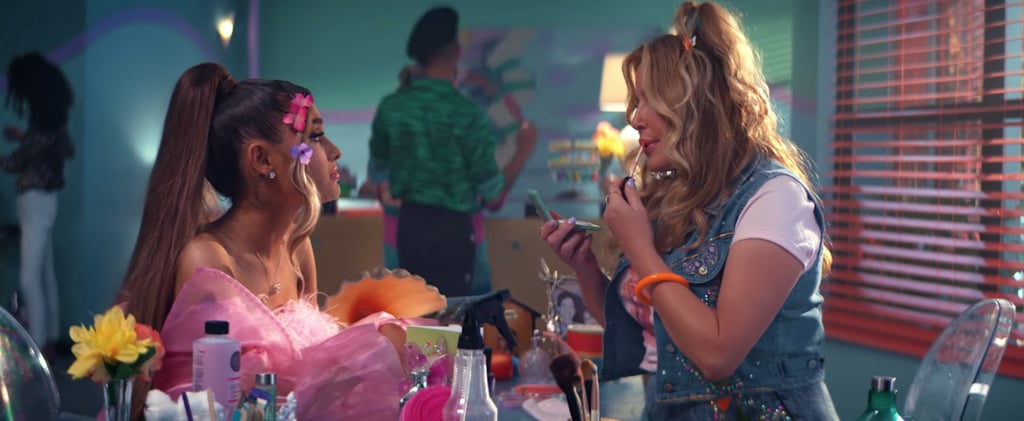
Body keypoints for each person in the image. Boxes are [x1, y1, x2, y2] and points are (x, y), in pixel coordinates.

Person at [539, 2, 839, 419]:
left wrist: (639, 249)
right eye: (636, 101)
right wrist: (586, 266)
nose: (635, 118)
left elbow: (717, 356)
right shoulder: (679, 200)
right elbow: (654, 335)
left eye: (649, 101)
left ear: (698, 106)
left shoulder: (775, 199)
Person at [118, 63, 426, 420]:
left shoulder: (298, 249)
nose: (335, 151)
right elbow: (207, 400)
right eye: (315, 136)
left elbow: (314, 364)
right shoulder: (210, 259)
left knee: (394, 336)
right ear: (262, 159)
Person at [368, 6, 538, 297]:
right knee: (458, 318)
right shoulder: (468, 114)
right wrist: (522, 151)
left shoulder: (392, 107)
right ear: (457, 52)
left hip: (408, 232)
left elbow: (377, 174)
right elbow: (493, 194)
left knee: (414, 316)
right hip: (456, 238)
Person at [1, 52, 75, 359]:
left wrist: (13, 151)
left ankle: (38, 347)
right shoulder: (53, 119)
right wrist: (26, 137)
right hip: (46, 200)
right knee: (45, 276)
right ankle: (50, 340)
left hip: (34, 200)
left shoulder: (42, 121)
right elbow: (63, 149)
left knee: (30, 277)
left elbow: (17, 162)